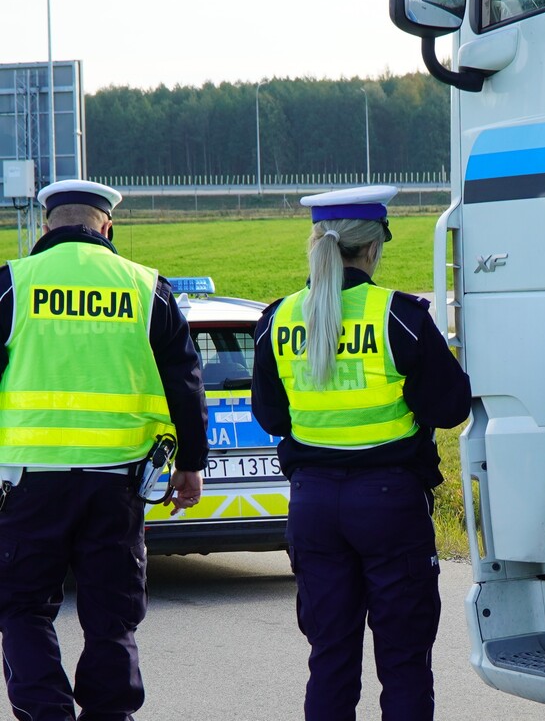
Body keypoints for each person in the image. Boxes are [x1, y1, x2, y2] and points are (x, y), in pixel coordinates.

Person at [251, 185, 471, 721]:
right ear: (373, 247)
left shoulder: (278, 319)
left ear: (316, 244)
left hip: (312, 505)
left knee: (330, 660)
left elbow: (272, 418)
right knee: (404, 662)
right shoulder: (399, 316)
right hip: (390, 503)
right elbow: (450, 407)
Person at [0, 179, 208, 721]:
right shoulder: (146, 287)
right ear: (107, 226)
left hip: (26, 483)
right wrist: (191, 465)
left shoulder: (13, 283)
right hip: (118, 484)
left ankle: (46, 713)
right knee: (111, 618)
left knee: (22, 608)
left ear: (47, 226)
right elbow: (185, 381)